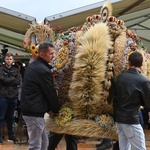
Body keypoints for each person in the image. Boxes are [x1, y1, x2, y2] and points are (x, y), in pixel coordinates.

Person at [20, 41, 59, 150]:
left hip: (34, 110)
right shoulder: (42, 70)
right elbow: (49, 92)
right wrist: (55, 109)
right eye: (51, 53)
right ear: (42, 54)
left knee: (44, 144)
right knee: (35, 145)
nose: (53, 56)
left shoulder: (35, 66)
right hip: (33, 112)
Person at [113, 52, 150, 150]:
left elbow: (114, 99)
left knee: (124, 148)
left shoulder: (118, 78)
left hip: (119, 120)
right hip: (131, 120)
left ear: (128, 63)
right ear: (142, 64)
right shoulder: (143, 80)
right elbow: (147, 102)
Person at [0, 53, 21, 144]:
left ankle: (11, 135)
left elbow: (18, 81)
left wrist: (8, 80)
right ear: (5, 60)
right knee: (1, 117)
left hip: (13, 96)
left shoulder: (16, 70)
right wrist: (12, 79)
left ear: (13, 60)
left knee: (11, 117)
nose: (9, 60)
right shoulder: (1, 70)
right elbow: (3, 80)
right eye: (7, 59)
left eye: (10, 59)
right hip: (3, 96)